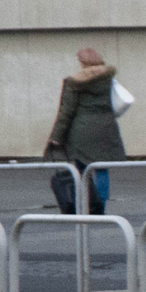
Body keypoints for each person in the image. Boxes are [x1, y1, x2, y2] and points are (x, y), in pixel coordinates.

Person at [43, 47, 124, 214]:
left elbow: (66, 112)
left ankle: (83, 203)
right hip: (106, 128)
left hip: (81, 131)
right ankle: (100, 206)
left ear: (82, 63)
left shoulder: (74, 82)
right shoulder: (108, 79)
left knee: (80, 168)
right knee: (102, 168)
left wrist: (56, 136)